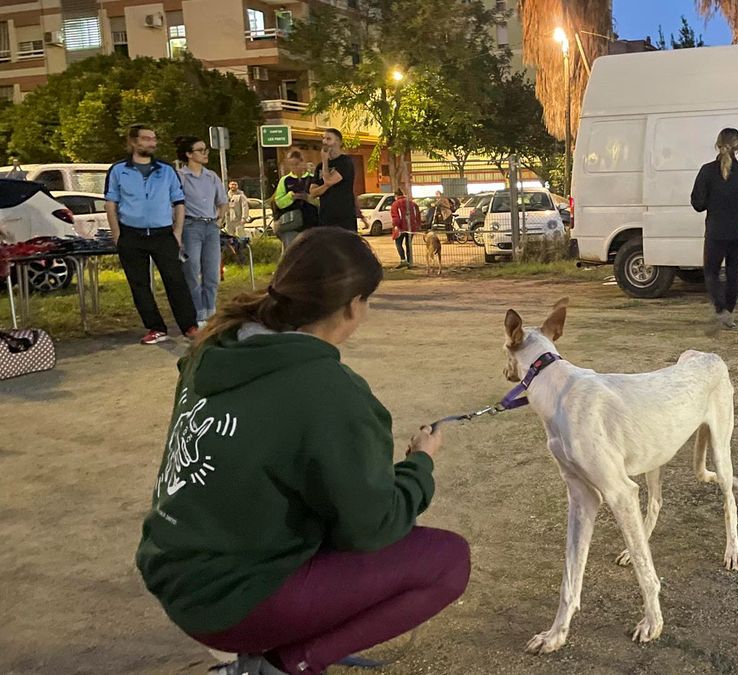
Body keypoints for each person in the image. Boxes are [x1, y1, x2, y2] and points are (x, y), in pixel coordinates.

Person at [135, 227, 470, 675]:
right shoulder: (328, 390)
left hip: (171, 569)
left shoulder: (215, 346)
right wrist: (419, 465)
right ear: (353, 305)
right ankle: (286, 664)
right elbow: (373, 526)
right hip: (231, 598)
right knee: (447, 562)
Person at [104, 124, 199, 345]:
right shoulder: (118, 170)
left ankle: (189, 325)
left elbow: (179, 202)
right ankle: (156, 327)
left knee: (176, 280)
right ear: (133, 142)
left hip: (163, 234)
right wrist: (117, 234)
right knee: (139, 283)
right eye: (146, 139)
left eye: (154, 139)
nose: (152, 143)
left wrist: (177, 232)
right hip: (131, 234)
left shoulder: (166, 170)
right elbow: (111, 203)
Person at [691, 128, 738, 329]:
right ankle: (729, 311)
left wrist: (712, 202)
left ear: (717, 144)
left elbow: (697, 203)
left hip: (716, 230)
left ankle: (720, 309)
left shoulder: (706, 171)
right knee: (733, 272)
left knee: (711, 272)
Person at [176, 137, 229, 327]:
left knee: (212, 272)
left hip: (211, 227)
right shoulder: (180, 177)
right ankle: (198, 315)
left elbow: (223, 201)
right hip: (191, 226)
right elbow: (174, 205)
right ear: (189, 154)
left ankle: (210, 311)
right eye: (200, 150)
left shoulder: (212, 176)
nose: (205, 153)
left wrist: (219, 219)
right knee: (192, 271)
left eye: (205, 149)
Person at [307, 128, 357, 230]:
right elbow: (313, 192)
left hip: (344, 218)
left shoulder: (345, 162)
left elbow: (328, 180)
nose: (325, 142)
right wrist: (326, 186)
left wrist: (325, 161)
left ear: (338, 142)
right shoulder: (319, 166)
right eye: (323, 138)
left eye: (328, 139)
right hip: (325, 218)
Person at [271, 151, 312, 249]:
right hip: (291, 221)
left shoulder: (312, 179)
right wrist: (290, 197)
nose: (294, 167)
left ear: (303, 162)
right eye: (291, 165)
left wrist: (308, 198)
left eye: (297, 164)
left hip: (311, 222)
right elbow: (279, 202)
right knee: (291, 250)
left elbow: (320, 200)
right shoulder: (285, 180)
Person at [390, 187, 421, 269]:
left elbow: (395, 217)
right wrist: (417, 225)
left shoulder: (395, 204)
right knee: (408, 244)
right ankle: (410, 262)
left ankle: (403, 260)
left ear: (396, 195)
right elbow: (417, 214)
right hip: (411, 227)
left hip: (400, 228)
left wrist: (396, 225)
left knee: (398, 244)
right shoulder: (412, 203)